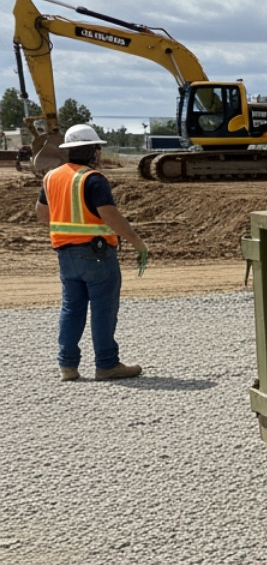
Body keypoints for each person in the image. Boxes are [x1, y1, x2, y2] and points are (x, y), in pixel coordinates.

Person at [33, 125, 149, 381]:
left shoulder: (51, 177)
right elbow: (109, 214)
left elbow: (42, 214)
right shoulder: (92, 179)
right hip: (97, 254)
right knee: (103, 308)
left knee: (71, 308)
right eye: (98, 148)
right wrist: (137, 242)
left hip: (65, 254)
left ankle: (68, 366)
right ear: (92, 151)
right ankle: (107, 364)